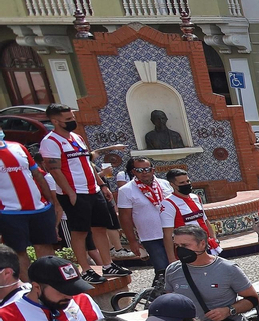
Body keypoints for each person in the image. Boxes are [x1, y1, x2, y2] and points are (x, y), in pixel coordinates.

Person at [40, 106, 118, 282]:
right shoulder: (50, 141)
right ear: (55, 121)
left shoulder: (77, 137)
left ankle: (108, 265)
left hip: (93, 189)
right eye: (67, 119)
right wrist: (69, 192)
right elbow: (54, 169)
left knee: (100, 227)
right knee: (80, 231)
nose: (72, 121)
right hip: (75, 192)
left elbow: (88, 163)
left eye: (72, 117)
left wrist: (102, 185)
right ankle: (86, 270)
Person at [163, 226, 256, 321]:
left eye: (185, 245)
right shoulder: (172, 270)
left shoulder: (228, 269)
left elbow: (253, 299)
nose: (180, 250)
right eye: (177, 245)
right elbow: (170, 302)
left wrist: (229, 310)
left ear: (202, 244)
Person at [0, 127, 56, 268]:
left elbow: (37, 174)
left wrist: (51, 201)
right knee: (18, 252)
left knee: (45, 247)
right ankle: (29, 287)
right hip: (9, 212)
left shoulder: (18, 147)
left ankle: (51, 283)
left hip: (39, 208)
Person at [114, 157, 173, 273]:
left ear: (153, 170)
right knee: (162, 270)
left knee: (179, 266)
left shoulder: (165, 184)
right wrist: (132, 241)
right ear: (133, 172)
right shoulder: (126, 190)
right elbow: (124, 218)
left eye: (147, 169)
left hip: (173, 233)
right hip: (151, 237)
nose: (144, 172)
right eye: (139, 170)